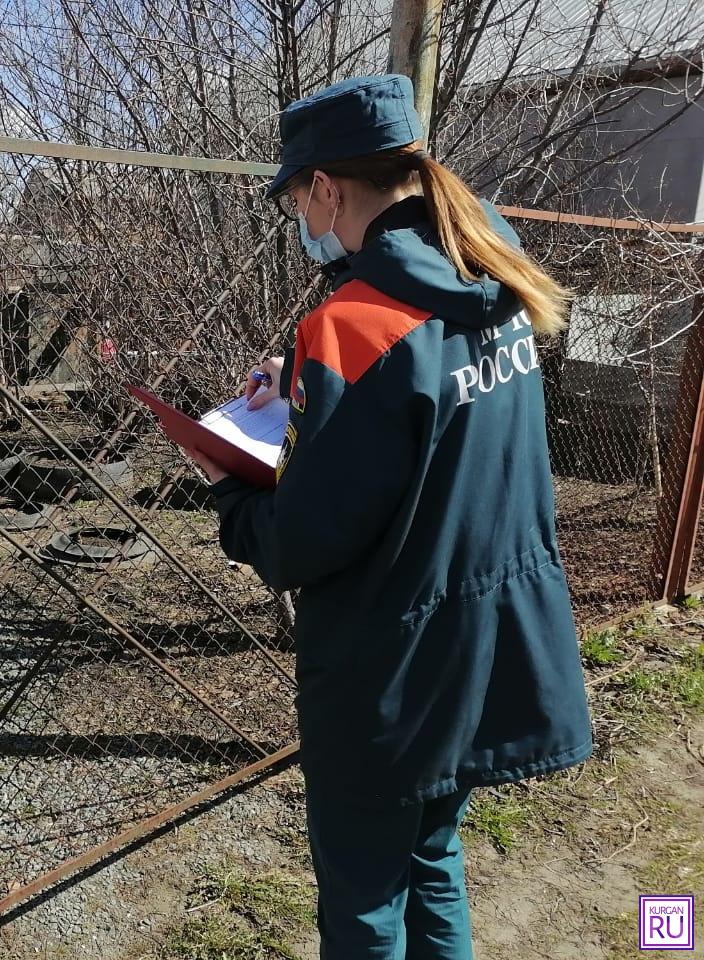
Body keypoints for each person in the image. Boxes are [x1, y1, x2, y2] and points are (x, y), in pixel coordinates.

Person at [188, 75, 593, 959]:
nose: (299, 214)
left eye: (296, 195)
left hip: (392, 665)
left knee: (366, 896)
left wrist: (224, 479)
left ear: (327, 189)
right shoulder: (494, 271)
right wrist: (305, 397)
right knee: (432, 853)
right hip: (493, 638)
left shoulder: (355, 327)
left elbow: (300, 539)